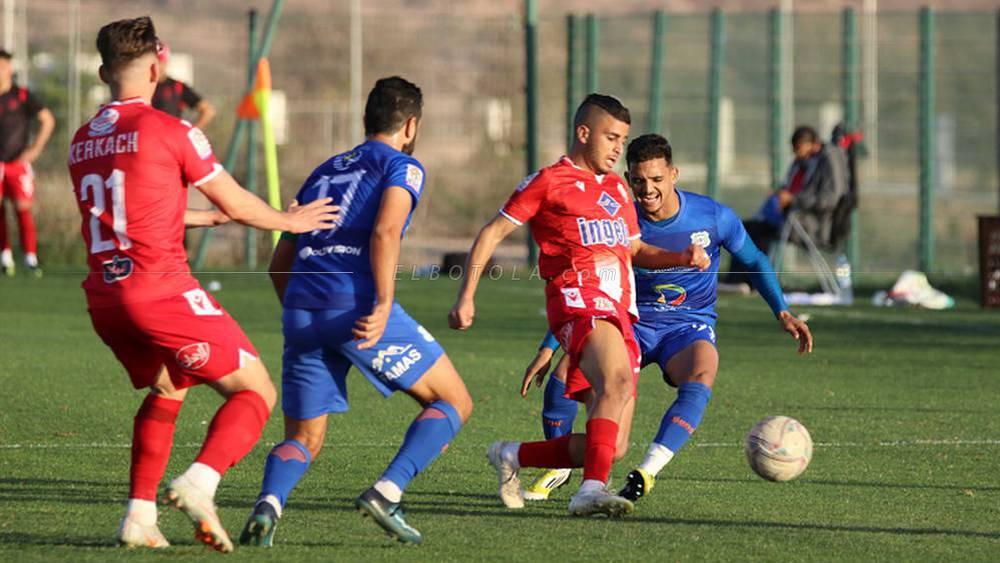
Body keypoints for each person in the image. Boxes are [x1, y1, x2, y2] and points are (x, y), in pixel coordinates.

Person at [67, 17, 338, 552]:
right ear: (157, 66)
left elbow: (131, 209)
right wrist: (292, 223)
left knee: (168, 387)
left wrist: (205, 220)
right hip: (160, 289)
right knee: (256, 391)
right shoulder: (171, 130)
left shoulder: (82, 142)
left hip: (106, 297)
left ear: (103, 73)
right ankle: (200, 482)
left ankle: (139, 518)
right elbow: (235, 200)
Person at [449, 94, 710, 518]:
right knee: (619, 384)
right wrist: (466, 296)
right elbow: (492, 232)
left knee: (612, 445)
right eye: (610, 137)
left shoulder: (617, 191)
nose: (616, 148)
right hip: (578, 301)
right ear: (583, 133)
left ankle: (512, 454)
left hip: (620, 312)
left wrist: (679, 257)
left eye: (622, 140)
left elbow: (635, 248)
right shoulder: (549, 181)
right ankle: (589, 491)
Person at [239, 76, 472, 546]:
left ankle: (268, 505)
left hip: (301, 310)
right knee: (453, 401)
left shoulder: (323, 171)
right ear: (411, 125)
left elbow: (278, 265)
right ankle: (387, 493)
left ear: (366, 120)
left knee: (303, 438)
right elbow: (385, 233)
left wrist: (308, 317)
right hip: (357, 306)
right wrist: (383, 304)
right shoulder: (403, 166)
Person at [520, 134, 814, 502]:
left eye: (657, 179)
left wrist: (782, 311)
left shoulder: (713, 216)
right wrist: (550, 347)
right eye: (639, 180)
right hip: (628, 323)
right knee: (563, 380)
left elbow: (754, 260)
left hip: (686, 325)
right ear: (628, 178)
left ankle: (647, 471)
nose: (648, 189)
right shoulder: (615, 219)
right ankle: (561, 462)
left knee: (702, 372)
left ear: (673, 174)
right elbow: (585, 284)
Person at [723, 125, 847, 290]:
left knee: (762, 232)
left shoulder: (826, 162)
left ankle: (758, 281)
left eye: (798, 148)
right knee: (746, 228)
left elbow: (829, 199)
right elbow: (789, 187)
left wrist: (793, 199)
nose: (796, 154)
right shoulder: (801, 164)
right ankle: (736, 280)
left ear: (811, 144)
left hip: (812, 224)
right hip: (789, 216)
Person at [0, 49, 55, 277]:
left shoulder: (22, 95)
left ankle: (30, 258)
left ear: (10, 68)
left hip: (17, 164)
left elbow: (47, 120)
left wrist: (35, 150)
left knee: (23, 209)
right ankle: (5, 258)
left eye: (3, 65)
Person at [152, 41, 216, 129]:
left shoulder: (177, 87)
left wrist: (191, 132)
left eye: (160, 61)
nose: (156, 65)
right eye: (153, 61)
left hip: (170, 139)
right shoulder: (140, 86)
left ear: (166, 62)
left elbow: (208, 111)